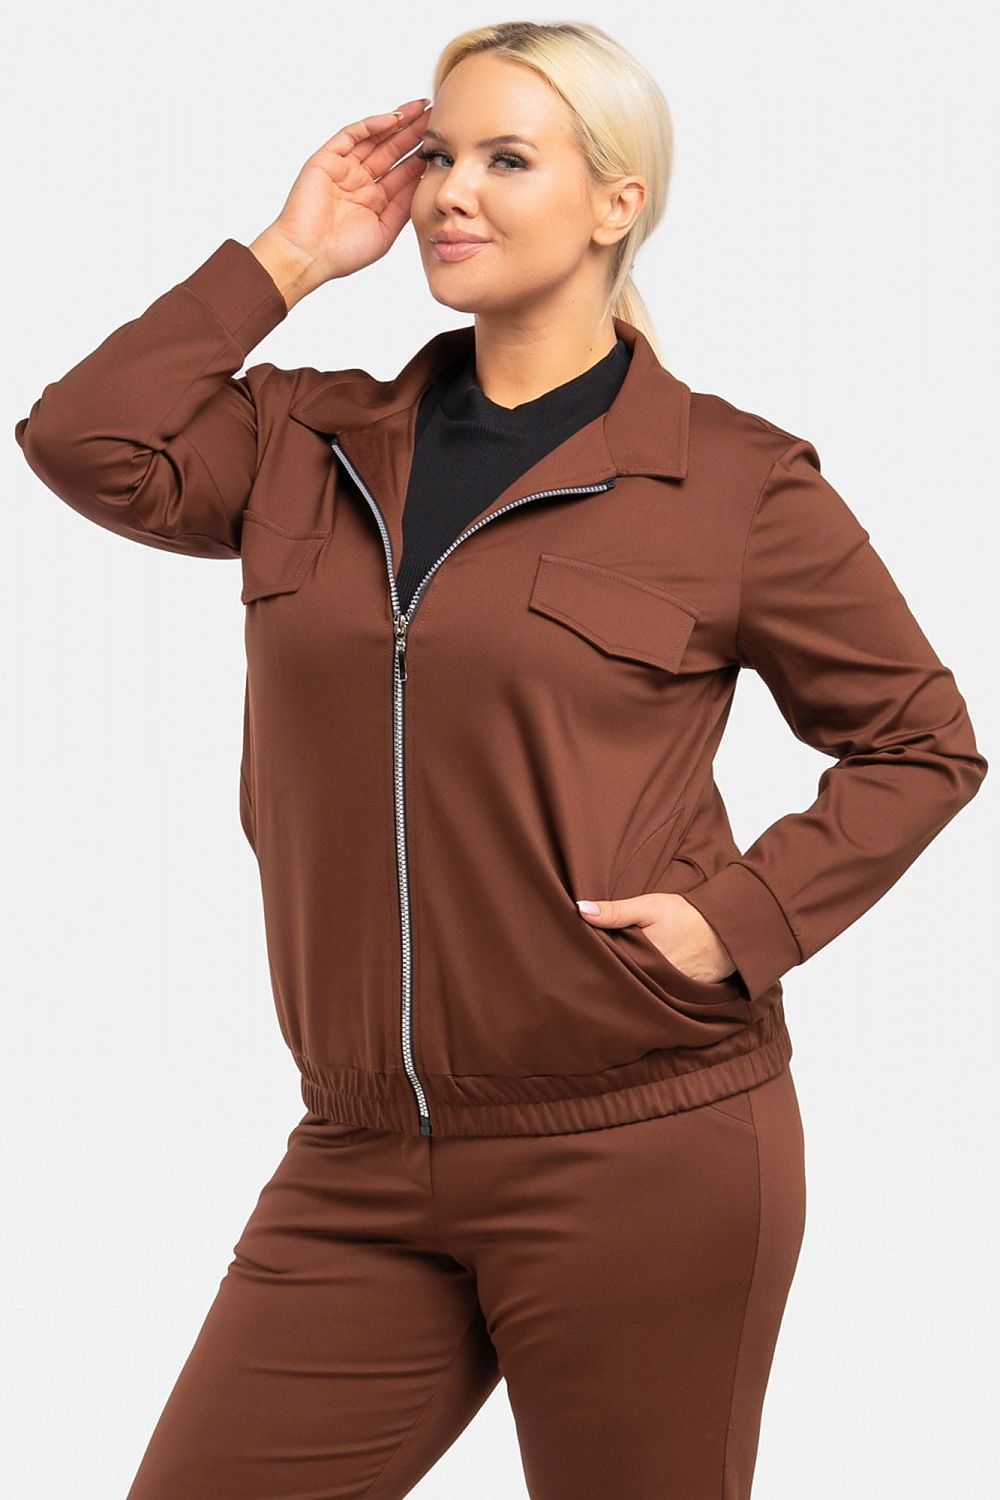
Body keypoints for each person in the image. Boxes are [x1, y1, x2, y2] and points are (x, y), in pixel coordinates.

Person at [13, 19, 988, 1500]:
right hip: (358, 1150)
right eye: (440, 157)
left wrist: (739, 922)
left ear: (617, 202)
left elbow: (920, 738)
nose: (451, 191)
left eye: (508, 159)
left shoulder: (730, 482)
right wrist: (287, 255)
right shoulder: (305, 440)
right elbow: (82, 439)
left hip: (642, 1146)